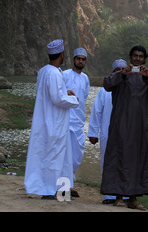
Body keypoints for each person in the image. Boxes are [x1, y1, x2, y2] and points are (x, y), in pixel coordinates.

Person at [101, 45, 148, 210]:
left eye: (140, 56)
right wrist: (122, 74)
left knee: (138, 161)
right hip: (121, 126)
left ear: (144, 59)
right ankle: (118, 197)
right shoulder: (120, 74)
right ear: (130, 58)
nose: (137, 59)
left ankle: (133, 199)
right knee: (119, 159)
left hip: (141, 128)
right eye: (135, 56)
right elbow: (107, 84)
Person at [24, 39, 79, 199]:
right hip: (54, 122)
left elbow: (53, 93)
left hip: (48, 119)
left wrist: (64, 91)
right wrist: (74, 100)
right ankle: (49, 190)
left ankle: (60, 190)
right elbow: (56, 98)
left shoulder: (44, 71)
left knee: (56, 156)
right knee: (55, 156)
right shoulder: (54, 73)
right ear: (61, 54)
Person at [88, 59, 128, 204]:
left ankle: (126, 195)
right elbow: (96, 112)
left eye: (123, 69)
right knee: (108, 162)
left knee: (126, 163)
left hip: (126, 135)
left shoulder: (130, 89)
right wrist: (93, 133)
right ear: (112, 73)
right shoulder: (104, 91)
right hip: (107, 133)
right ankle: (110, 195)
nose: (120, 72)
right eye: (117, 70)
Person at [62, 48, 90, 197]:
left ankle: (69, 183)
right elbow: (58, 92)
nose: (80, 61)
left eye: (83, 59)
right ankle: (65, 187)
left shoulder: (85, 78)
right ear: (73, 60)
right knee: (65, 155)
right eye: (78, 58)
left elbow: (83, 98)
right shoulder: (64, 74)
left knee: (76, 155)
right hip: (66, 120)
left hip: (78, 121)